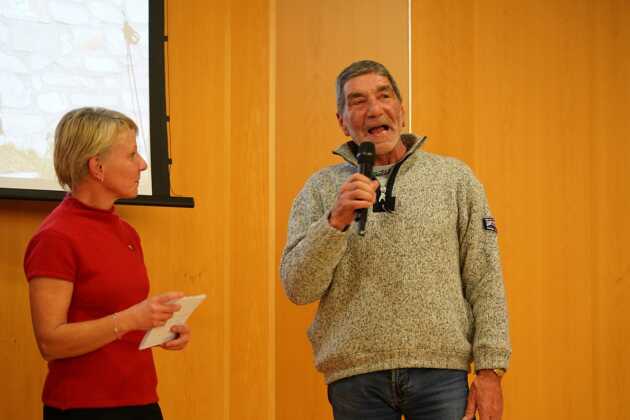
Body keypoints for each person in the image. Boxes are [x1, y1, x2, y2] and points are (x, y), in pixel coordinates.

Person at [280, 60, 511, 420]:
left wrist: (490, 370)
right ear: (342, 121)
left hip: (441, 375)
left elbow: (485, 277)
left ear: (401, 110)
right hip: (356, 380)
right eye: (358, 101)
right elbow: (298, 287)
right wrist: (335, 221)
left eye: (383, 96)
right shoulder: (321, 189)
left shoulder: (454, 179)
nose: (374, 109)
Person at [24, 107, 191, 420]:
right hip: (83, 408)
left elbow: (117, 320)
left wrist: (160, 329)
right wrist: (131, 319)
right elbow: (51, 342)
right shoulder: (55, 238)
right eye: (131, 155)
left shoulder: (126, 232)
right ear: (97, 167)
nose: (143, 164)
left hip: (140, 400)